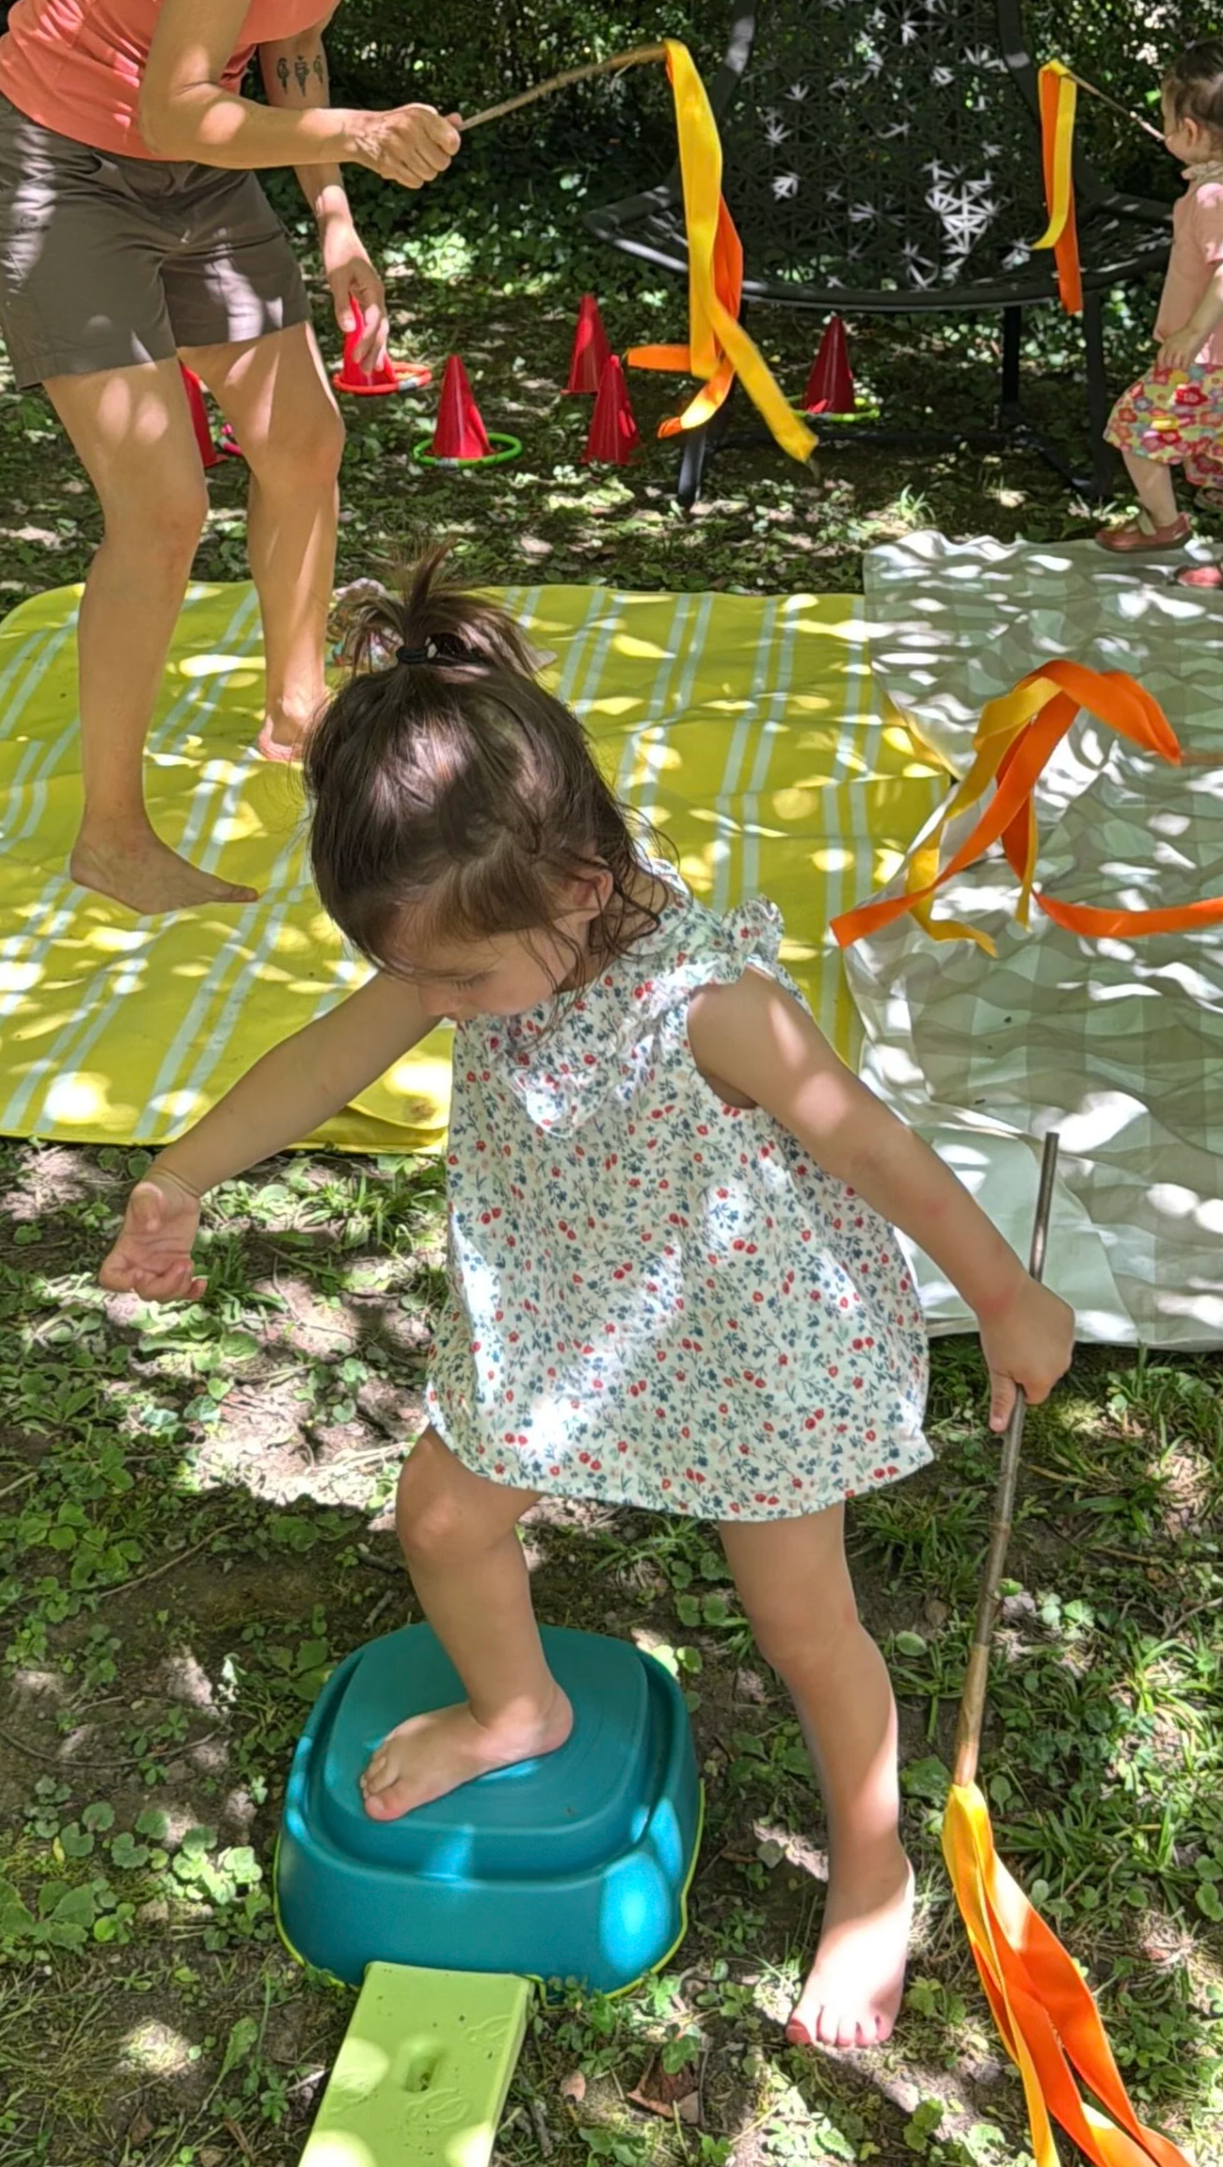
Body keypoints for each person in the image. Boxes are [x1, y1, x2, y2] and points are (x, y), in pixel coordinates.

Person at [98, 551, 1078, 2048]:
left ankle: (873, 1867)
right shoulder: (473, 931)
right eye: (410, 973)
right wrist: (182, 1175)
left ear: (575, 884)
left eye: (459, 979)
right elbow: (321, 1056)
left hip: (746, 1341)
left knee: (803, 1620)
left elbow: (876, 1146)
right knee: (441, 1518)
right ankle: (516, 1708)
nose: (435, 1001)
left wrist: (1006, 1297)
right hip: (561, 1315)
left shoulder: (715, 1008)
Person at [0, 0, 462, 915]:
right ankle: (112, 839)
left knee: (303, 438)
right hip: (68, 163)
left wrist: (334, 217)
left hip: (202, 171)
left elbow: (291, 41)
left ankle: (298, 711)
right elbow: (170, 107)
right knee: (162, 511)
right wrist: (363, 132)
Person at [1095, 40, 1223, 598]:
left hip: (1212, 364)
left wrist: (1190, 334)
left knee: (1133, 430)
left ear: (1191, 131)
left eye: (1166, 120)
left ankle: (1163, 523)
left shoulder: (1211, 199)